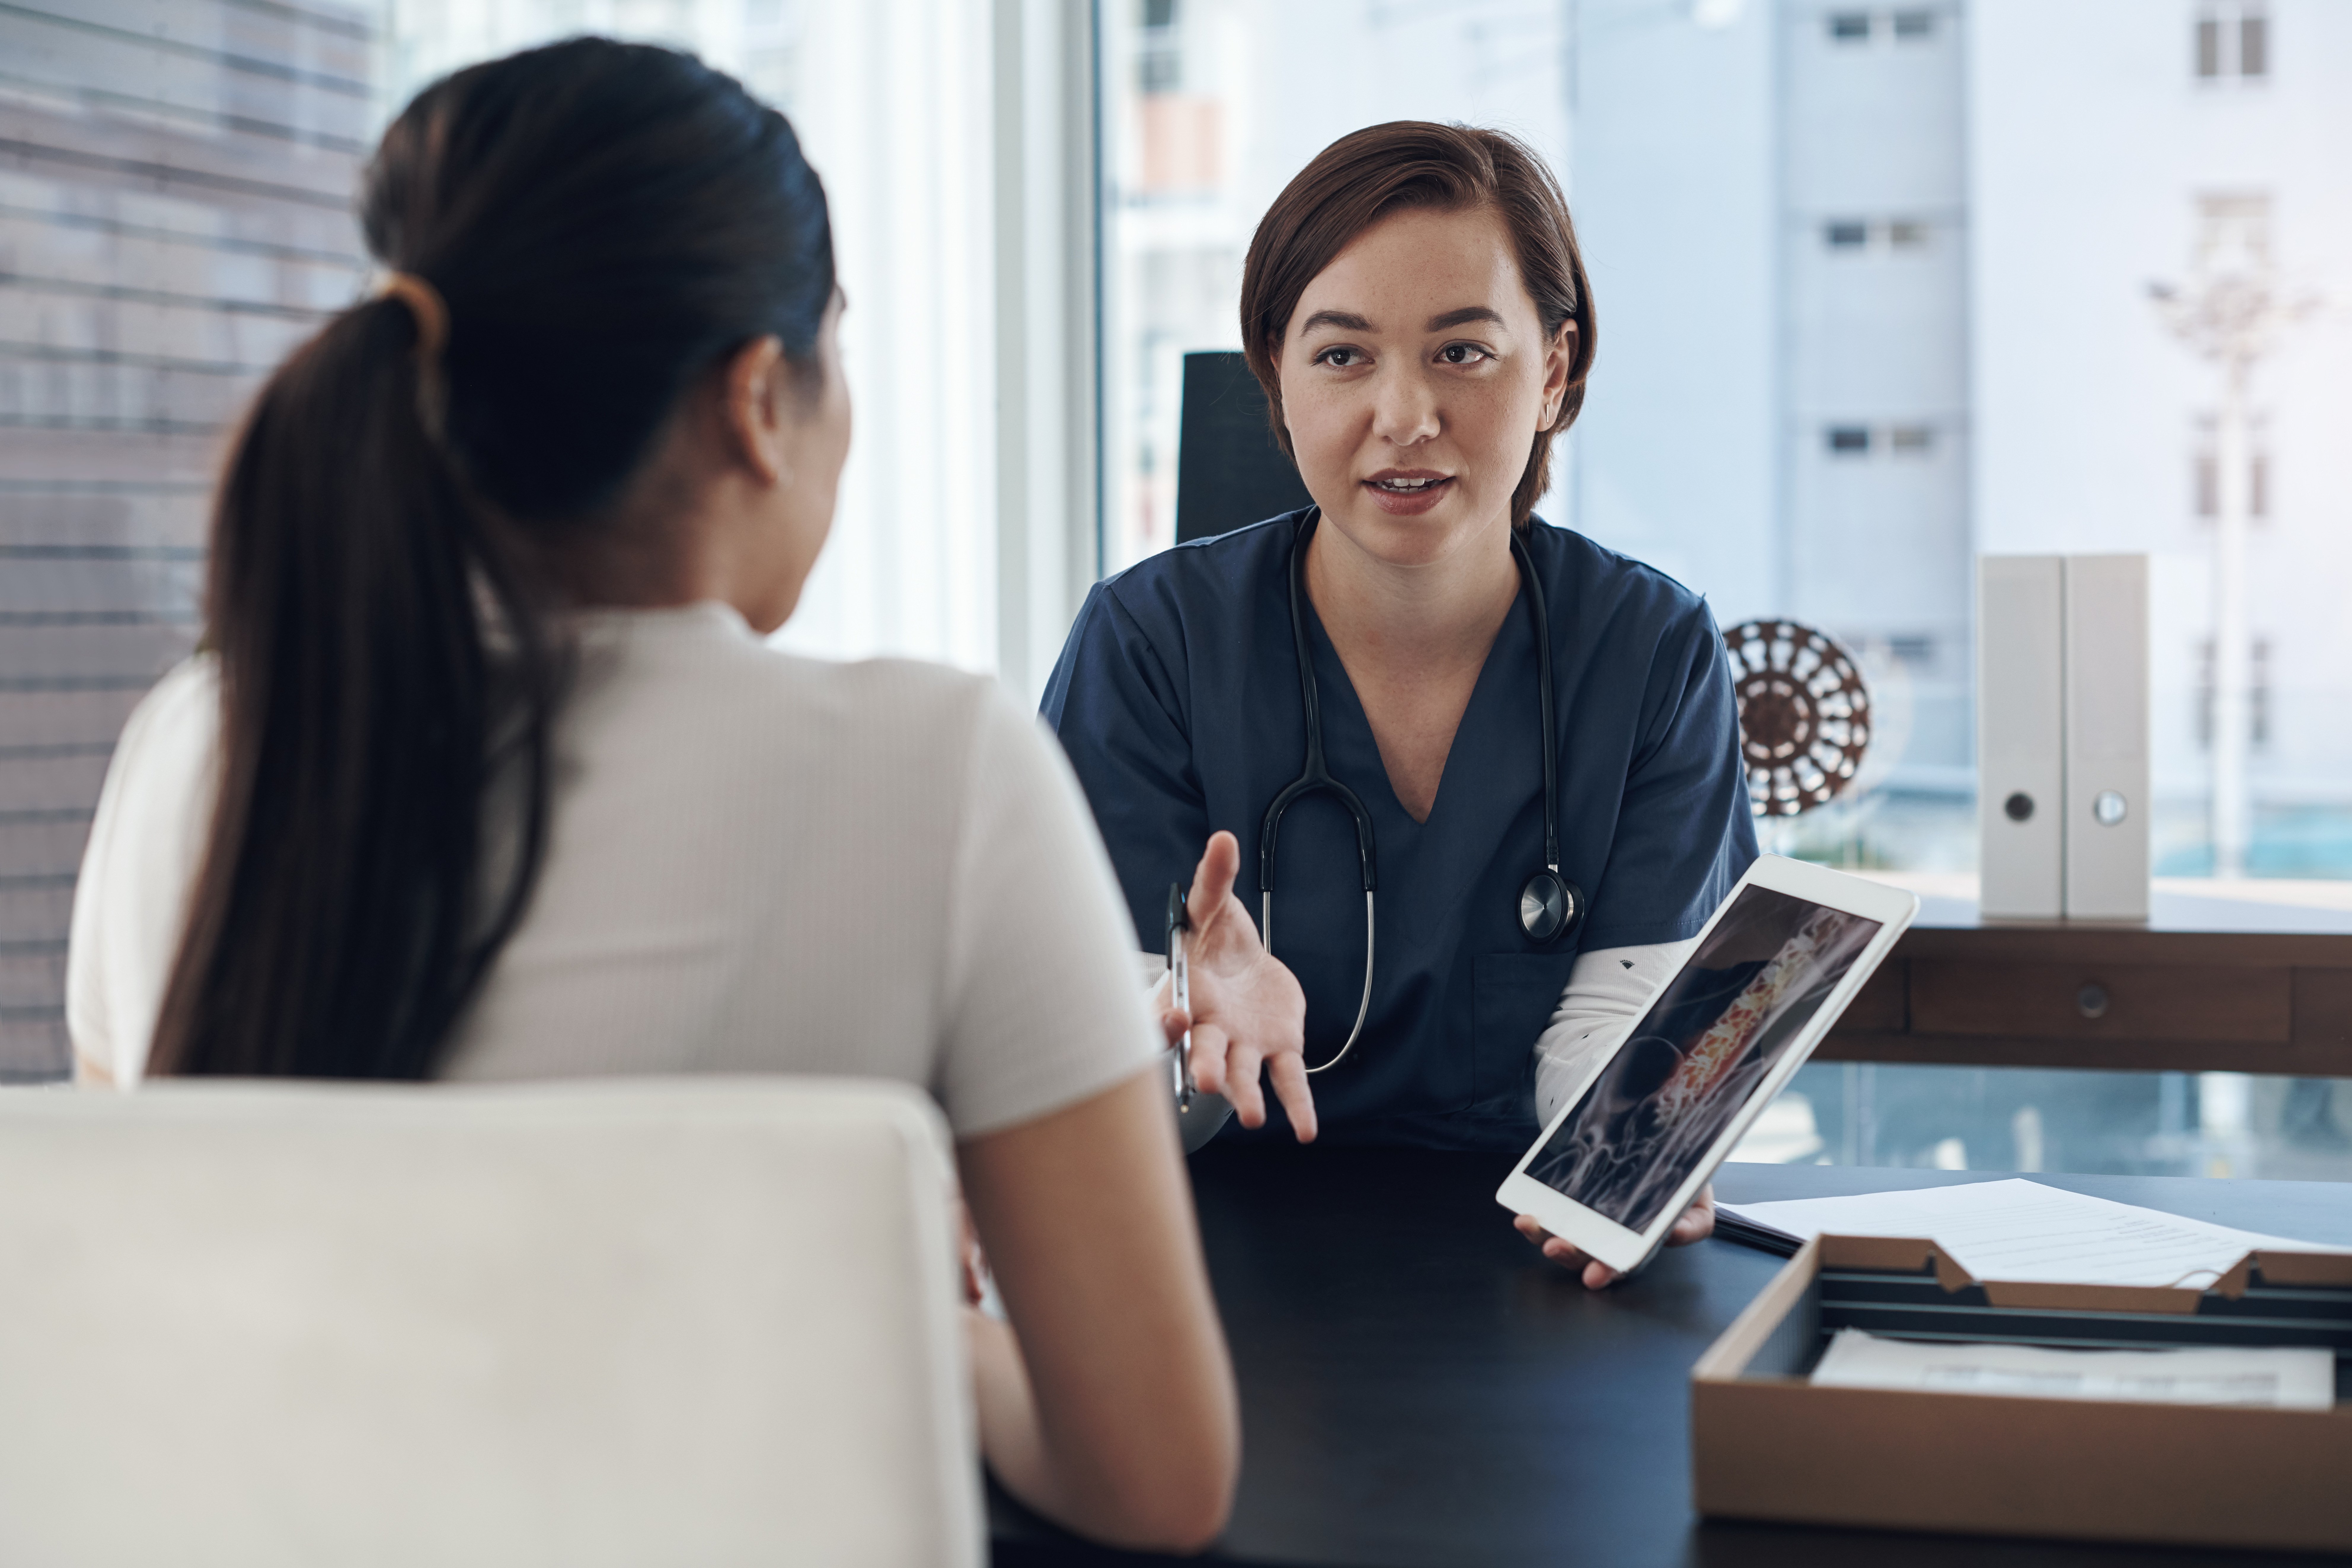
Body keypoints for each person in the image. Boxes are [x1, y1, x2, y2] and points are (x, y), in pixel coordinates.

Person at [65, 40, 1235, 1553]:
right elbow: (1151, 1475)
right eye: (837, 349)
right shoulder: (938, 770)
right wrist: (887, 1304)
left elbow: (156, 1296)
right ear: (758, 400)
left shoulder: (191, 749)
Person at [1042, 122, 1758, 1286]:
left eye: (1462, 352)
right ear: (1276, 373)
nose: (1405, 414)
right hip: (1213, 1269)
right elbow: (1085, 1088)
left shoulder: (1651, 651)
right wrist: (1179, 1027)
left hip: (1536, 1269)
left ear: (1555, 371)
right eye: (1342, 355)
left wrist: (1635, 1150)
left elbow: (1621, 1033)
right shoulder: (1150, 644)